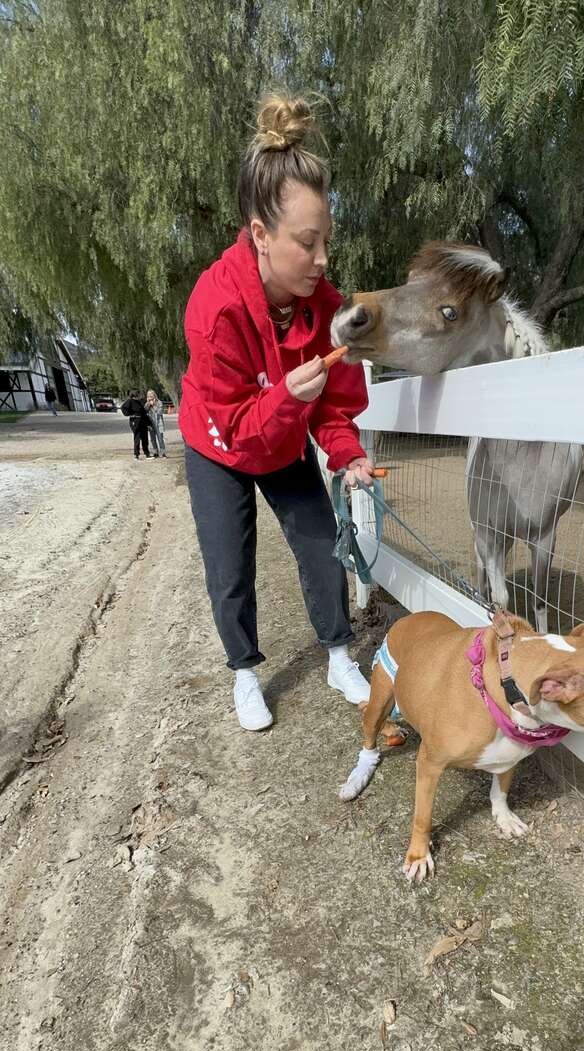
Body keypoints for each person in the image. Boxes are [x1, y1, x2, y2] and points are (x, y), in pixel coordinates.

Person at [179, 93, 375, 732]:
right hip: (219, 443)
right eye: (307, 243)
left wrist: (347, 457)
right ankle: (244, 673)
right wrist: (288, 394)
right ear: (261, 236)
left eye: (326, 242)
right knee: (229, 563)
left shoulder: (325, 303)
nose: (322, 260)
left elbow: (335, 407)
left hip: (284, 438)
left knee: (321, 541)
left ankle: (339, 654)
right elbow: (237, 425)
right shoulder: (216, 308)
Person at [120, 390, 153, 459]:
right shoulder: (130, 401)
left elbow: (144, 414)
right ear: (135, 395)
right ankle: (136, 455)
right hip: (135, 422)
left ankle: (147, 454)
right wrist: (130, 414)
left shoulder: (140, 402)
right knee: (137, 438)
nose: (140, 395)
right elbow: (123, 408)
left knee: (145, 438)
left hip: (143, 422)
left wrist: (149, 424)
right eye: (139, 394)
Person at [146, 389, 166, 457]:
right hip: (151, 423)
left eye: (151, 395)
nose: (150, 397)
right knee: (152, 439)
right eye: (149, 396)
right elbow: (144, 410)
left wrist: (154, 405)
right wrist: (149, 404)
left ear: (154, 395)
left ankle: (163, 452)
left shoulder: (159, 402)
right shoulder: (147, 403)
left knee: (160, 438)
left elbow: (160, 412)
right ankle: (155, 452)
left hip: (158, 423)